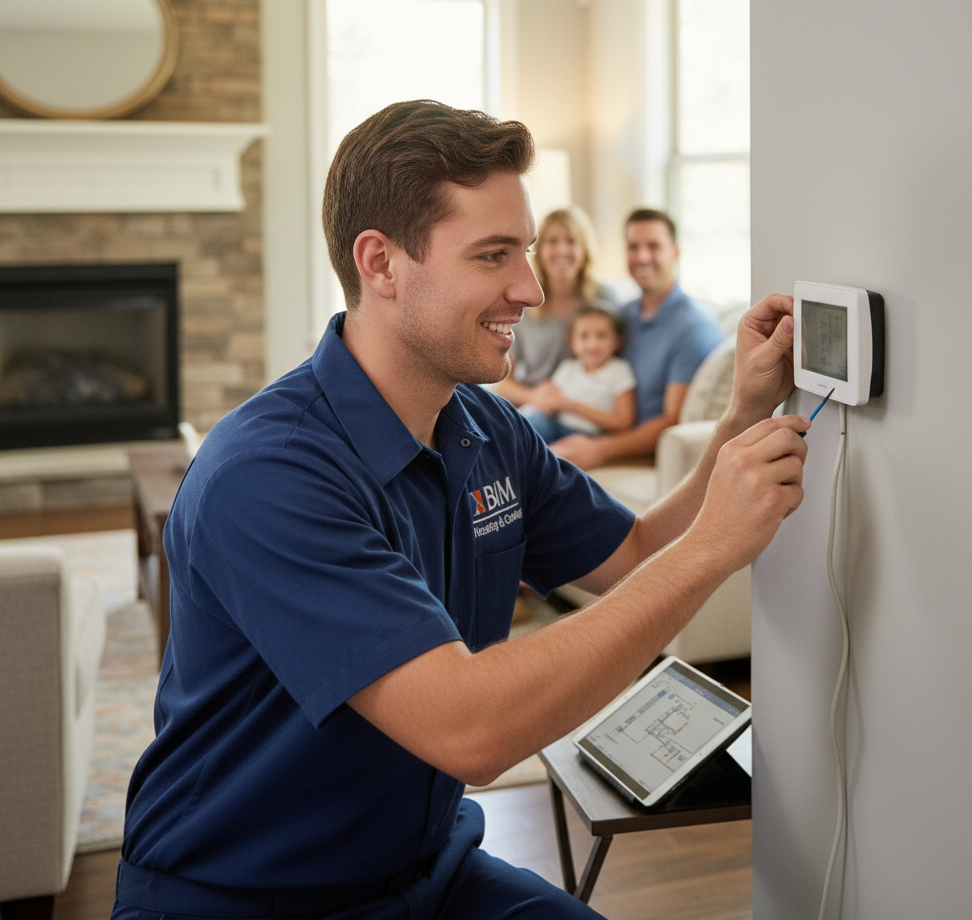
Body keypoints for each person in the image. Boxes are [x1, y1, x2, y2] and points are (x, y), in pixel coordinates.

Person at [110, 100, 810, 920]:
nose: (532, 286)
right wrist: (716, 549)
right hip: (240, 900)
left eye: (524, 248)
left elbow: (634, 553)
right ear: (380, 263)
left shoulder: (483, 425)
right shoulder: (266, 474)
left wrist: (739, 424)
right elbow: (472, 731)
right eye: (492, 255)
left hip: (429, 876)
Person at [551, 208, 724, 471]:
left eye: (653, 246)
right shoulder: (622, 315)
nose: (642, 257)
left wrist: (599, 450)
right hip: (587, 426)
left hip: (632, 449)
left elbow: (674, 421)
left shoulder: (693, 327)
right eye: (633, 247)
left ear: (675, 252)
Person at [492, 205, 615, 408]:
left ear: (585, 249)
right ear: (539, 251)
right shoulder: (524, 302)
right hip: (538, 407)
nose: (562, 250)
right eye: (553, 241)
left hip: (589, 410)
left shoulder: (605, 299)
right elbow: (504, 382)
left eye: (571, 241)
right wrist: (535, 398)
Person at [519, 303, 636, 444]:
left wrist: (573, 407)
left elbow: (624, 422)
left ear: (617, 340)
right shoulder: (568, 367)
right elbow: (552, 400)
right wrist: (545, 393)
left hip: (586, 435)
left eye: (601, 336)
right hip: (553, 424)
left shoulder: (619, 370)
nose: (592, 344)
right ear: (572, 342)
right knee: (526, 423)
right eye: (584, 336)